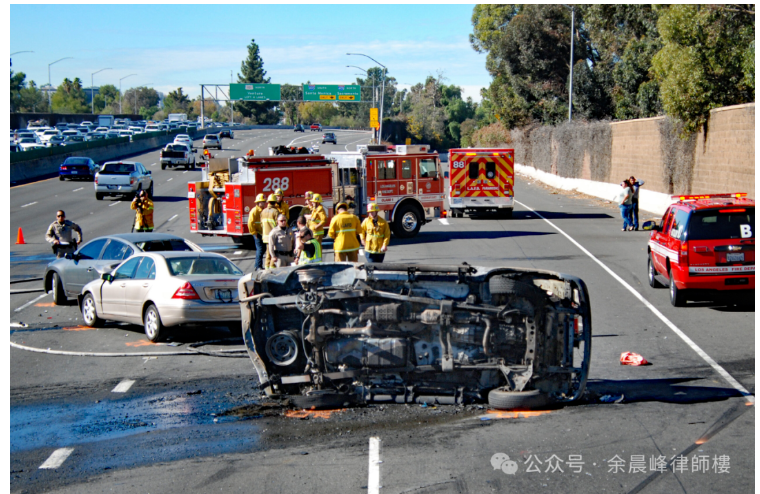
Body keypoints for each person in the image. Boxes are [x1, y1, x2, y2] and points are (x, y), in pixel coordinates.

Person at [247, 193, 267, 270]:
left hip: (262, 233)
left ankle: (258, 265)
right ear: (258, 202)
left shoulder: (263, 210)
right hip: (257, 233)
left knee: (263, 249)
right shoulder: (254, 211)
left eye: (264, 201)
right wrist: (254, 232)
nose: (263, 203)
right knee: (260, 249)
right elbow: (250, 223)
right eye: (262, 202)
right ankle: (258, 266)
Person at [260, 194, 280, 269]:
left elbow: (261, 224)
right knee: (273, 253)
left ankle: (267, 268)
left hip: (265, 236)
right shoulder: (275, 212)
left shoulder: (263, 212)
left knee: (268, 253)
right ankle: (272, 268)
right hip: (273, 236)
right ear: (275, 202)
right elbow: (278, 225)